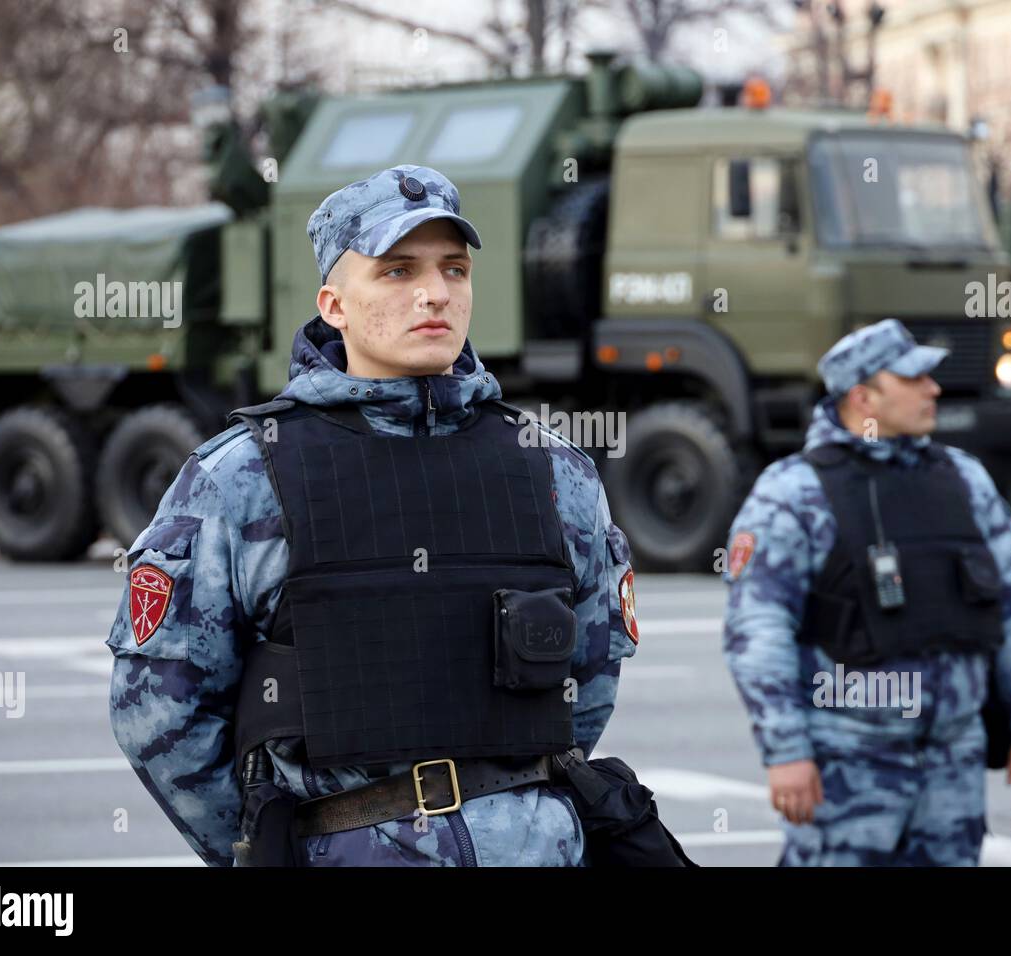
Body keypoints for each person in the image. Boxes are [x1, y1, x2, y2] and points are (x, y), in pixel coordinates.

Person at [106, 164, 640, 867]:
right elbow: (159, 711)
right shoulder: (241, 476)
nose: (435, 293)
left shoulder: (554, 471)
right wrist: (265, 848)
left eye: (455, 269)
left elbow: (589, 681)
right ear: (334, 305)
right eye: (396, 271)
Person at [721, 319, 1011, 866]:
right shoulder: (793, 493)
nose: (934, 389)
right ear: (863, 397)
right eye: (914, 378)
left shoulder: (965, 480)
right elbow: (756, 631)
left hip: (953, 760)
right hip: (848, 761)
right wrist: (785, 751)